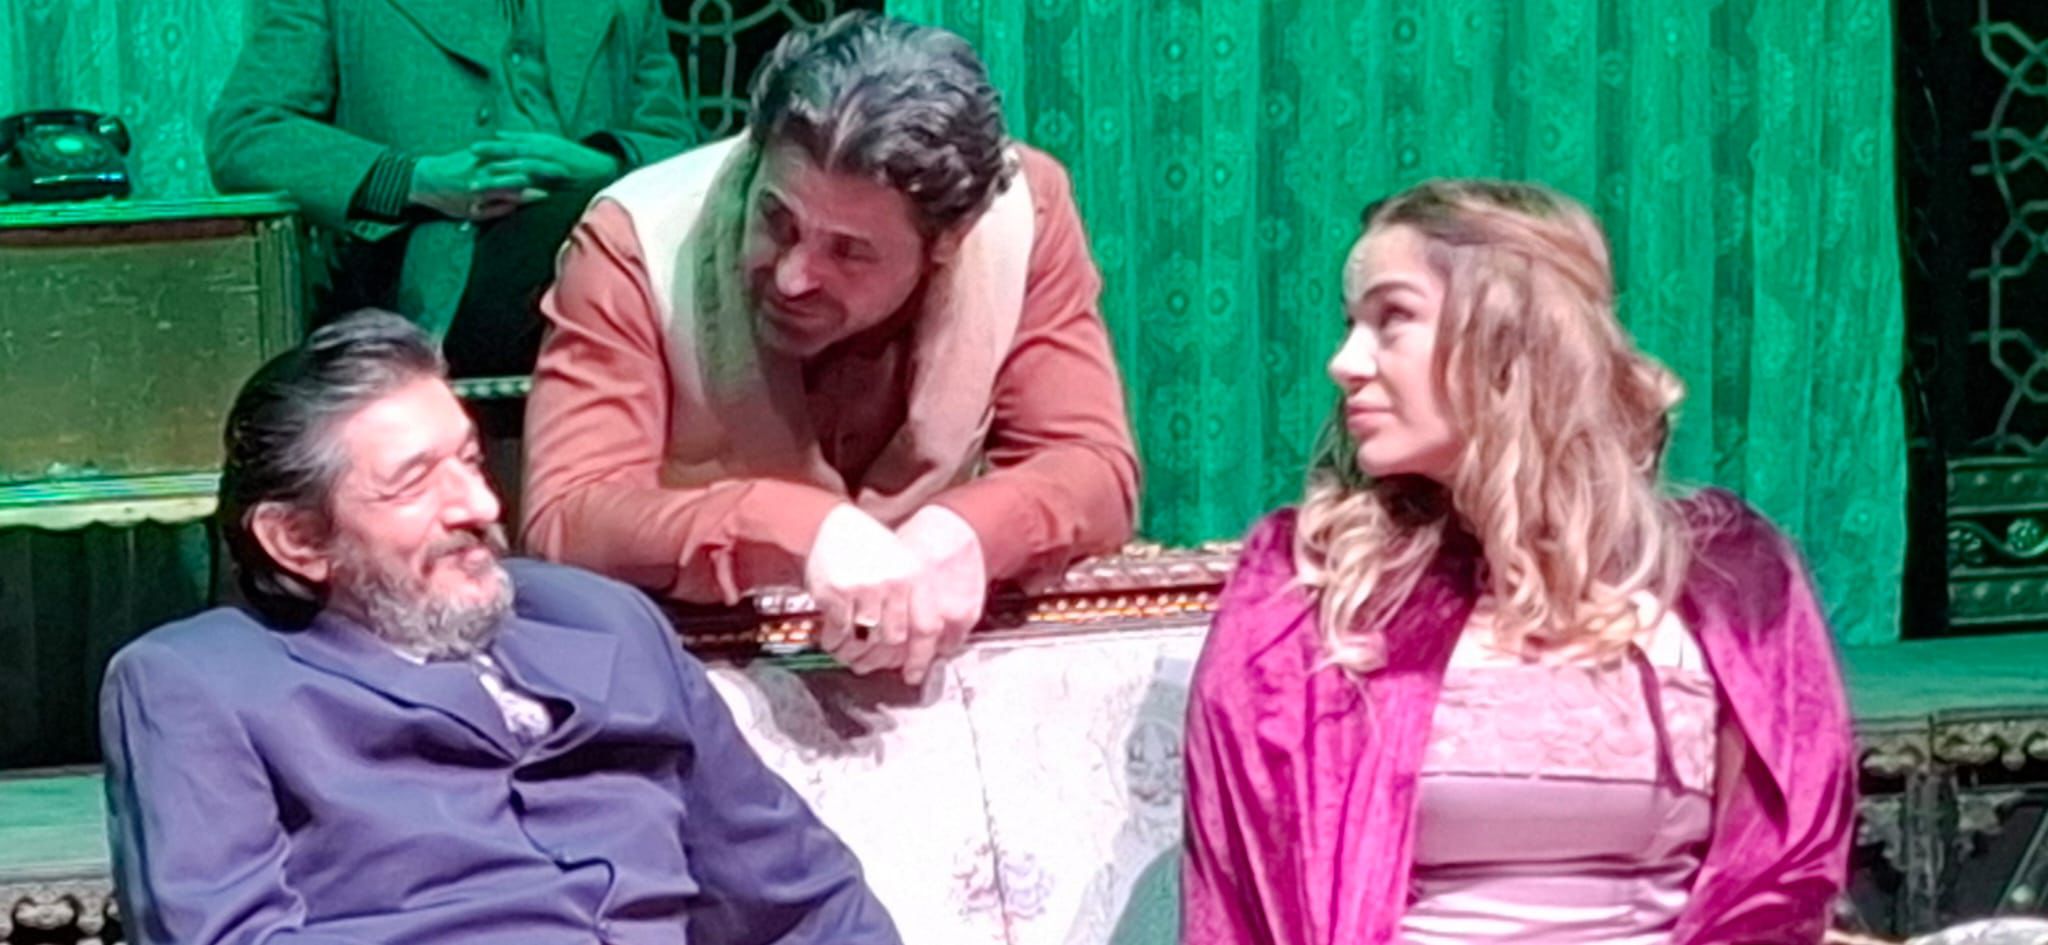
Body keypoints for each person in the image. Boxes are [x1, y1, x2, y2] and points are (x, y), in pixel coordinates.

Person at [1180, 181, 1857, 945]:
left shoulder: (1731, 578)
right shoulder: (1305, 585)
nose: (1344, 362)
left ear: (1508, 337)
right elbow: (1242, 904)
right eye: (1350, 324)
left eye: (1392, 318)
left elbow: (1778, 880)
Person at [99, 311, 901, 945]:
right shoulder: (198, 684)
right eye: (415, 482)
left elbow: (807, 901)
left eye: (472, 461)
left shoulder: (605, 620)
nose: (480, 506)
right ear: (298, 539)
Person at [520, 12, 1139, 686]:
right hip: (692, 679)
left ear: (945, 244)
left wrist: (966, 532)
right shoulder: (635, 239)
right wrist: (796, 530)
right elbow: (566, 518)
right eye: (776, 219)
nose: (793, 276)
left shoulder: (1021, 214)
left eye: (849, 252)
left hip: (929, 677)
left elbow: (1093, 469)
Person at [206, 0, 693, 377]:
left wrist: (605, 164)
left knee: (641, 235)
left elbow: (676, 147)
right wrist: (417, 180)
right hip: (441, 262)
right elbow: (247, 135)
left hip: (600, 239)